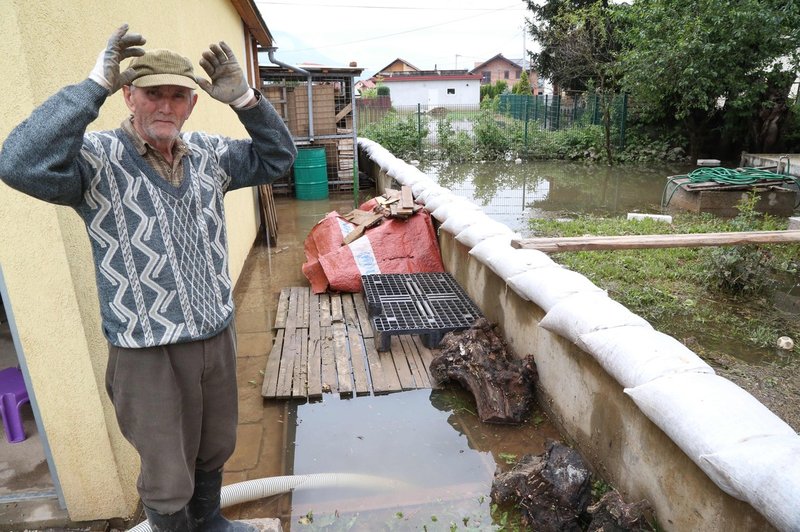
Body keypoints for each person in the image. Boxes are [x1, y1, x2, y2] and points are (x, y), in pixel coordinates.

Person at [0, 24, 297, 531]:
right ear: (128, 96)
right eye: (153, 93)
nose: (165, 106)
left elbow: (278, 158)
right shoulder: (94, 159)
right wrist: (91, 86)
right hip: (145, 349)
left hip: (214, 335)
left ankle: (210, 522)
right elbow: (18, 163)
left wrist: (248, 101)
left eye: (177, 96)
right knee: (165, 469)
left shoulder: (209, 155)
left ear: (191, 104)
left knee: (215, 445)